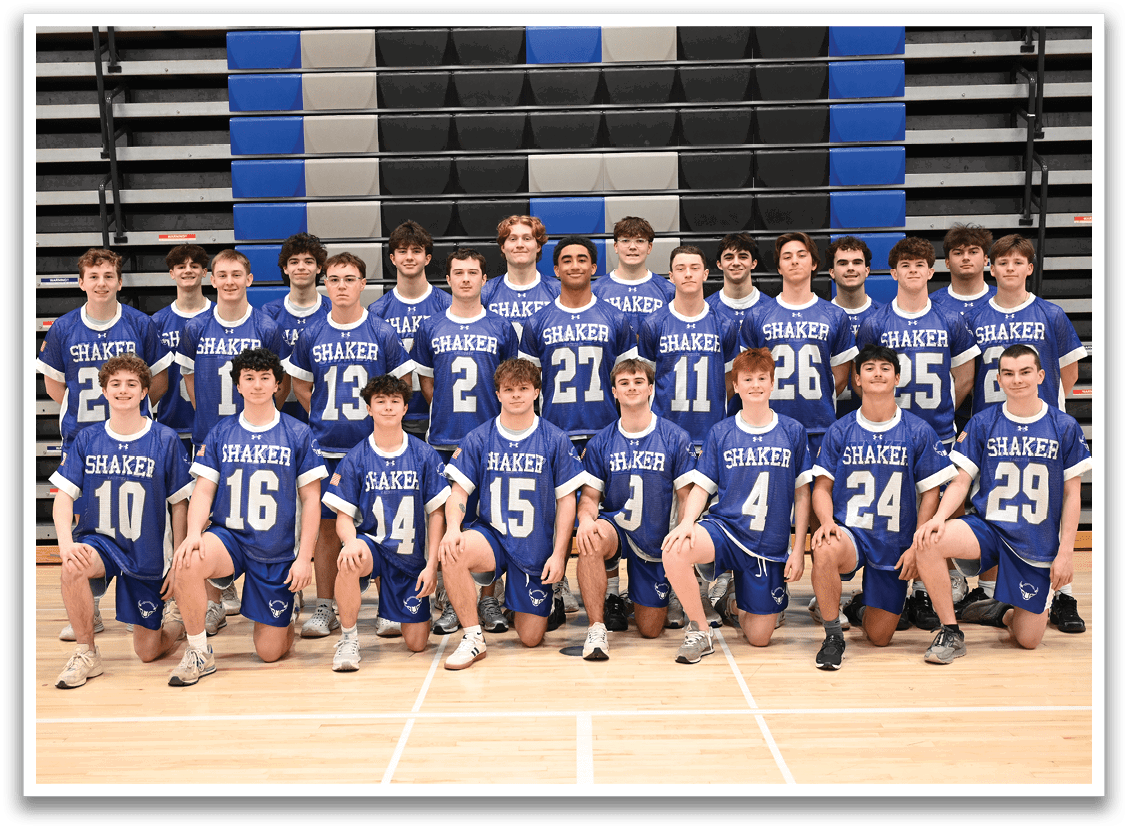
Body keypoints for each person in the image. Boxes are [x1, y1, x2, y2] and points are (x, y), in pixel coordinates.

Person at [912, 344, 1092, 663]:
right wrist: (938, 517)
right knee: (929, 540)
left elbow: (1072, 494)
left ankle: (1003, 614)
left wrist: (1066, 554)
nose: (1017, 380)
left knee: (1028, 639)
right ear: (998, 379)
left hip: (1036, 542)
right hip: (990, 529)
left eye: (1024, 372)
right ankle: (951, 631)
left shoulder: (1064, 426)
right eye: (1008, 373)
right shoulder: (983, 422)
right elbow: (961, 480)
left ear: (1040, 375)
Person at [168, 348, 327, 686]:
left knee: (270, 652)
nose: (257, 385)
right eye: (249, 379)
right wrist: (193, 533)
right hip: (230, 538)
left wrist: (304, 559)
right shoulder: (221, 432)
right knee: (186, 560)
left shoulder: (298, 433)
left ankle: (287, 613)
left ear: (277, 384)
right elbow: (203, 491)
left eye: (264, 378)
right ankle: (199, 651)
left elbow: (312, 501)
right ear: (238, 386)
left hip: (275, 549)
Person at [37, 247, 173, 639]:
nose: (101, 283)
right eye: (93, 276)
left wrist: (131, 415)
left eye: (108, 275)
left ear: (119, 280)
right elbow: (54, 384)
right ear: (82, 283)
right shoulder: (63, 328)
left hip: (136, 436)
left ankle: (159, 594)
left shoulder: (141, 324)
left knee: (145, 516)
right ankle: (90, 606)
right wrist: (93, 423)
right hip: (84, 438)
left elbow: (158, 381)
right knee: (86, 521)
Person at [283, 252, 415, 640]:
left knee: (379, 527)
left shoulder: (382, 332)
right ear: (326, 285)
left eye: (349, 279)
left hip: (374, 449)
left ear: (363, 285)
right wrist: (326, 415)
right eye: (335, 279)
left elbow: (401, 386)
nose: (341, 286)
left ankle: (387, 606)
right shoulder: (311, 334)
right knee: (326, 530)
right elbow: (302, 387)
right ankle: (326, 605)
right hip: (326, 448)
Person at [854, 236, 981, 629]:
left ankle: (929, 591)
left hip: (938, 433)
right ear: (892, 273)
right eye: (904, 265)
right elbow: (867, 376)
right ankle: (884, 589)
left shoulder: (950, 319)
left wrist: (936, 420)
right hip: (888, 434)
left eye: (920, 264)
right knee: (892, 512)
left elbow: (963, 377)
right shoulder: (875, 321)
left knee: (939, 514)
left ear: (931, 271)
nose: (912, 270)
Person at [966, 234, 1088, 631]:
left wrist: (1045, 415)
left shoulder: (1050, 314)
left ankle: (1064, 596)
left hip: (1041, 426)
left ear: (1029, 269)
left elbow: (1068, 373)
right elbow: (968, 375)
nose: (1010, 269)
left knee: (1049, 509)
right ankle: (999, 598)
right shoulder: (975, 316)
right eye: (1002, 263)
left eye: (1018, 262)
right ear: (992, 268)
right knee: (1001, 511)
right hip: (994, 427)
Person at [807, 344, 955, 670]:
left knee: (879, 636)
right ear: (857, 378)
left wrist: (918, 543)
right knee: (825, 548)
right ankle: (833, 636)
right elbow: (821, 488)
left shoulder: (917, 430)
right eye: (869, 368)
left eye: (885, 368)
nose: (877, 373)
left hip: (894, 540)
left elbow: (931, 492)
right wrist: (827, 521)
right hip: (852, 534)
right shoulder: (840, 429)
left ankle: (860, 607)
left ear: (897, 377)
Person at [661, 347, 813, 663]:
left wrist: (798, 550)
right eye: (748, 379)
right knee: (674, 550)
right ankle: (700, 630)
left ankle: (731, 603)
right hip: (727, 530)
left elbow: (802, 493)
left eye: (762, 378)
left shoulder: (793, 431)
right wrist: (688, 522)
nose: (755, 384)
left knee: (758, 638)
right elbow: (702, 486)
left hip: (767, 544)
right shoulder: (722, 431)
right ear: (736, 385)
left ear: (773, 383)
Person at [51, 355, 193, 688]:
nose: (123, 390)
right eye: (115, 384)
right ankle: (87, 653)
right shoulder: (87, 439)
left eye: (131, 384)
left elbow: (180, 506)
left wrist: (177, 562)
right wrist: (65, 543)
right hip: (101, 543)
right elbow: (62, 496)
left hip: (147, 553)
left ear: (145, 391)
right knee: (73, 566)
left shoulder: (165, 439)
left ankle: (175, 624)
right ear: (104, 390)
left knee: (147, 651)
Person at [438, 359, 589, 670]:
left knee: (531, 637)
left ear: (536, 392)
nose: (516, 395)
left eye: (523, 388)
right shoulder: (480, 437)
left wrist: (560, 555)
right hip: (492, 536)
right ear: (498, 394)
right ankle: (472, 637)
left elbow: (567, 503)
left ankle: (532, 602)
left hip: (534, 545)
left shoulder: (554, 439)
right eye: (509, 389)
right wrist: (453, 527)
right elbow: (458, 493)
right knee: (453, 551)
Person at [518, 235, 637, 616]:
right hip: (555, 432)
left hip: (605, 432)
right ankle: (555, 585)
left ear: (593, 268)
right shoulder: (537, 322)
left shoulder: (615, 318)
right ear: (555, 270)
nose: (574, 265)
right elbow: (530, 386)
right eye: (566, 260)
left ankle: (613, 592)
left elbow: (628, 381)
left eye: (582, 259)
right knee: (552, 514)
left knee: (610, 513)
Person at [176, 248, 286, 636]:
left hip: (259, 435)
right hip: (212, 437)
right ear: (212, 279)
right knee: (206, 518)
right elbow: (190, 382)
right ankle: (214, 603)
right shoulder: (195, 328)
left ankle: (276, 587)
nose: (229, 281)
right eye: (222, 274)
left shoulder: (267, 326)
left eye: (237, 274)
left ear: (249, 279)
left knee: (261, 510)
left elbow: (279, 383)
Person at [412, 248, 520, 636]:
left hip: (492, 440)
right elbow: (426, 383)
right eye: (458, 273)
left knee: (487, 521)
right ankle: (452, 601)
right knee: (444, 522)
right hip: (444, 438)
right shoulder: (431, 327)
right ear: (448, 279)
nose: (465, 279)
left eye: (473, 273)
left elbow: (511, 381)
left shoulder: (502, 327)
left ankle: (489, 598)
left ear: (484, 280)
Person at [321, 374, 451, 671]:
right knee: (349, 559)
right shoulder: (356, 457)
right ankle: (348, 639)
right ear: (369, 408)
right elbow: (343, 517)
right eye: (381, 401)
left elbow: (437, 514)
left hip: (411, 560)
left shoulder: (424, 454)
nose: (388, 408)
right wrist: (350, 541)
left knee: (417, 644)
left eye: (395, 401)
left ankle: (407, 609)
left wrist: (432, 566)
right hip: (375, 548)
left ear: (406, 408)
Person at [575, 358, 697, 658]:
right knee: (590, 539)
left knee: (650, 629)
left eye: (638, 381)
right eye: (624, 383)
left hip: (656, 537)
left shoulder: (674, 437)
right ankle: (596, 628)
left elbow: (685, 497)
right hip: (617, 526)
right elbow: (590, 497)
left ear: (651, 388)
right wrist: (586, 520)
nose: (632, 388)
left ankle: (642, 595)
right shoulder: (602, 441)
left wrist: (683, 534)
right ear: (614, 391)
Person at [739, 232, 858, 467]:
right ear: (779, 267)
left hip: (820, 428)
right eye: (787, 257)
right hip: (769, 428)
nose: (794, 261)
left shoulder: (835, 315)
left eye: (801, 255)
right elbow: (746, 374)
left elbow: (841, 379)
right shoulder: (757, 316)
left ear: (813, 264)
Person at [637, 245, 739, 448]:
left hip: (712, 435)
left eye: (694, 267)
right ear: (671, 276)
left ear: (706, 274)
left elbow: (730, 380)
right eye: (681, 268)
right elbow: (643, 382)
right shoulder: (654, 323)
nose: (688, 274)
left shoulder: (725, 324)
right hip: (664, 437)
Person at [367, 220, 452, 441]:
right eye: (402, 251)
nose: (409, 257)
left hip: (441, 411)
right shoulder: (377, 311)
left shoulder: (448, 305)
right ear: (392, 258)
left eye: (416, 251)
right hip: (392, 414)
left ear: (428, 258)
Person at [261, 232, 332, 423]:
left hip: (322, 413)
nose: (301, 267)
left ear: (319, 268)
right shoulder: (269, 314)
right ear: (285, 268)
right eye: (294, 262)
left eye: (308, 261)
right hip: (278, 412)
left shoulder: (332, 311)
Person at [826, 235, 882, 418]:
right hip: (831, 417)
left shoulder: (884, 316)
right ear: (831, 272)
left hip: (876, 417)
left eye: (857, 262)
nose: (850, 268)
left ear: (867, 270)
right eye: (842, 263)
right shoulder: (820, 317)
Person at [592, 216, 675, 338]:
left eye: (640, 241)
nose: (632, 247)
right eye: (625, 241)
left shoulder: (668, 290)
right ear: (615, 246)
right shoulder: (595, 290)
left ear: (649, 247)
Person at [481, 214, 560, 339]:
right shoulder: (486, 292)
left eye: (527, 238)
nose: (519, 245)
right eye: (512, 239)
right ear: (503, 247)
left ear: (538, 246)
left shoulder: (558, 291)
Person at [930, 223, 997, 323]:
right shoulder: (931, 304)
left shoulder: (1002, 299)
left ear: (985, 260)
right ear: (947, 262)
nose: (966, 258)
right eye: (958, 253)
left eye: (973, 252)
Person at [706, 232, 764, 335]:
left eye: (743, 257)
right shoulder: (706, 309)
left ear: (753, 263)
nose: (736, 263)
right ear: (719, 264)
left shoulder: (769, 308)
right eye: (729, 257)